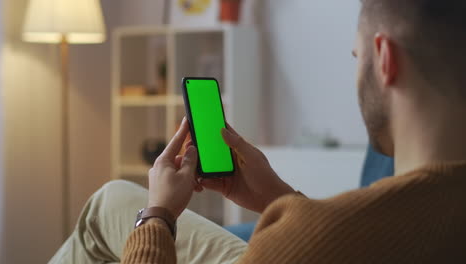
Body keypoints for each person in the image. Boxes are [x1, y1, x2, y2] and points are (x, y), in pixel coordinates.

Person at [51, 0, 466, 263]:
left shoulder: (304, 243)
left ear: (384, 57)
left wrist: (157, 215)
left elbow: (328, 245)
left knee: (111, 204)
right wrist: (282, 200)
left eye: (357, 57)